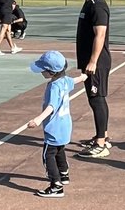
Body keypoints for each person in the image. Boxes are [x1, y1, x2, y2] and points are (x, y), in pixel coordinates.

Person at [26, 50, 86, 197]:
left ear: (51, 72)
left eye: (43, 70)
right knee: (59, 149)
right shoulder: (65, 80)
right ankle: (64, 174)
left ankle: (56, 185)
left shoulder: (54, 86)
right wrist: (84, 76)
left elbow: (51, 106)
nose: (41, 72)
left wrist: (38, 119)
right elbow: (74, 81)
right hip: (65, 125)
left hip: (54, 127)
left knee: (48, 155)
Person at [73, 0, 112, 158]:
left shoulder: (98, 5)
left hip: (96, 62)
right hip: (88, 60)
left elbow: (100, 35)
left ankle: (101, 144)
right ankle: (102, 135)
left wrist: (93, 61)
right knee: (93, 98)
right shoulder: (88, 3)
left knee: (97, 99)